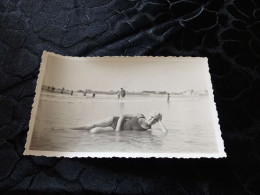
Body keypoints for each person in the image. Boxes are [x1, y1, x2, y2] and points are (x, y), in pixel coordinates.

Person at [71, 112, 167, 134]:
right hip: (114, 121)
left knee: (93, 131)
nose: (151, 119)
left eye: (154, 119)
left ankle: (78, 135)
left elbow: (165, 133)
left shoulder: (148, 129)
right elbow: (123, 115)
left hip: (115, 130)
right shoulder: (140, 115)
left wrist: (159, 121)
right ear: (149, 114)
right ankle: (67, 129)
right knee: (91, 125)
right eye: (151, 116)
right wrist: (117, 128)